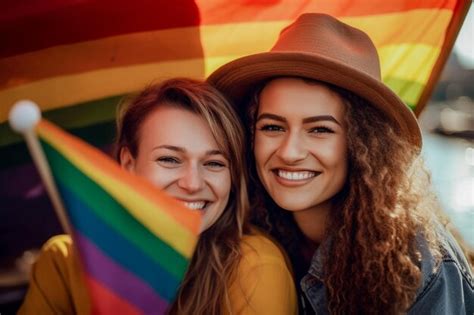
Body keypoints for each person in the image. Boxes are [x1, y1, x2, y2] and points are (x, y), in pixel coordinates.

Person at [208, 13, 474, 314]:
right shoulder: (246, 229)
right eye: (272, 127)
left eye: (320, 129)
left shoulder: (418, 265)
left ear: (363, 144)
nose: (290, 152)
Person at [18, 78, 297, 314]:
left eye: (214, 163)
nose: (192, 183)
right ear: (129, 164)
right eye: (169, 159)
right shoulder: (64, 261)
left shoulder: (253, 265)